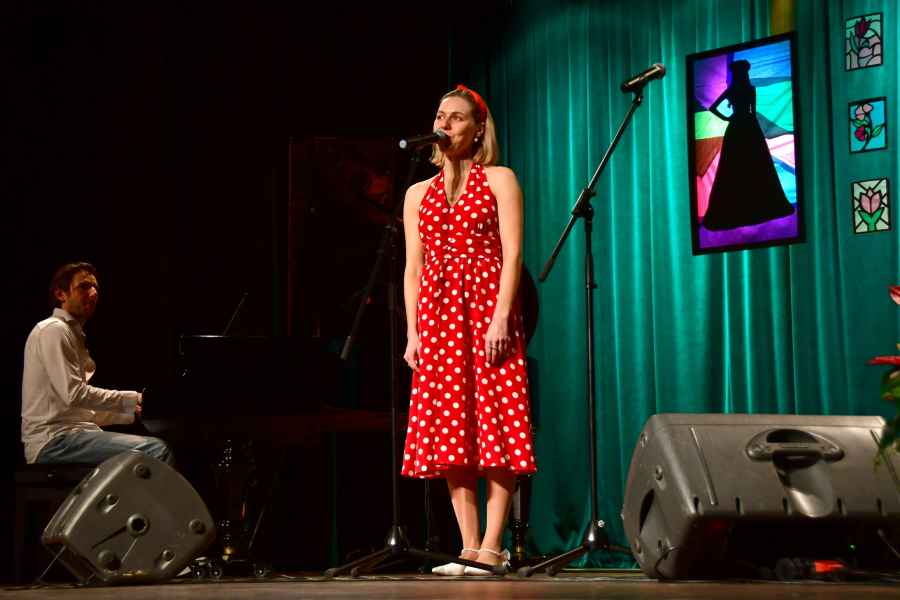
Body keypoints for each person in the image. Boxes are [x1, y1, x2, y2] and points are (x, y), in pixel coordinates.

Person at [401, 85, 536, 576]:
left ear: (478, 129)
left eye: (456, 117)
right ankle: (469, 546)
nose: (445, 124)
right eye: (441, 116)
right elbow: (412, 270)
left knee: (497, 425)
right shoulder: (418, 193)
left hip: (486, 313)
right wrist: (414, 333)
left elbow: (513, 254)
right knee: (450, 431)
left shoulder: (500, 179)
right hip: (438, 319)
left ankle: (494, 546)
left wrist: (502, 316)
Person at [21, 262, 173, 465]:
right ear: (61, 294)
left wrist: (131, 413)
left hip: (71, 435)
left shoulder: (70, 333)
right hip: (54, 441)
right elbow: (75, 395)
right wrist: (133, 398)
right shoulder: (54, 330)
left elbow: (79, 411)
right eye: (84, 287)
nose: (93, 293)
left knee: (153, 450)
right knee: (158, 450)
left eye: (95, 288)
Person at [702, 59, 794, 231]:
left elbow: (714, 108)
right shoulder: (750, 89)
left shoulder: (733, 90)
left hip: (737, 128)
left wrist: (729, 117)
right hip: (750, 128)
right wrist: (735, 118)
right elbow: (751, 110)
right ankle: (757, 205)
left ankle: (738, 206)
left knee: (734, 166)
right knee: (756, 164)